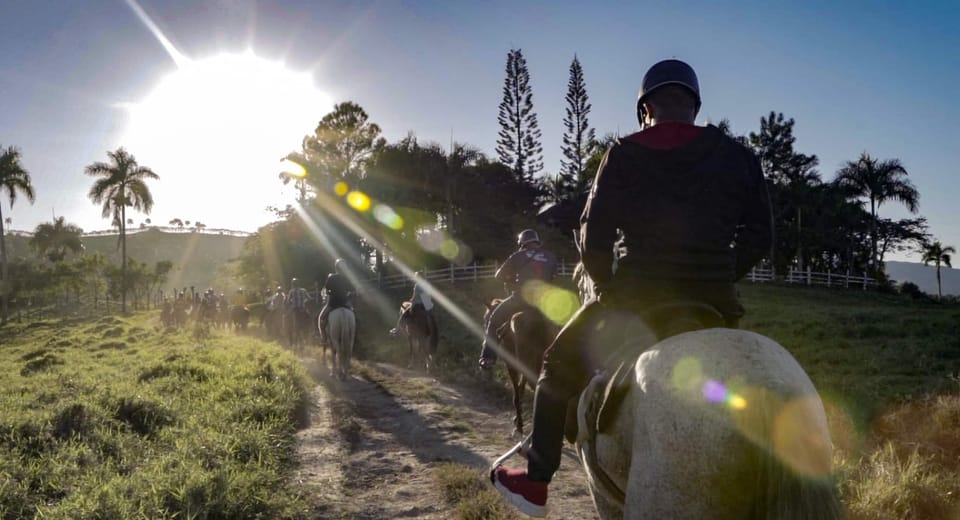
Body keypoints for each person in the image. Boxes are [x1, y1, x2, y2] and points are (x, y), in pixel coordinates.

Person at [490, 59, 773, 517]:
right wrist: (720, 274)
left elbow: (593, 237)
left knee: (555, 367)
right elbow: (762, 236)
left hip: (638, 297)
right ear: (695, 108)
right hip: (716, 303)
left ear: (646, 108)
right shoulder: (739, 157)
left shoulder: (623, 154)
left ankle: (536, 482)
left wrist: (607, 289)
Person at [479, 229, 558, 369]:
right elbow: (552, 279)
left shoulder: (518, 256)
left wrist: (512, 282)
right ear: (536, 241)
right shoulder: (551, 257)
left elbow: (499, 276)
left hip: (521, 299)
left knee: (493, 320)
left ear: (522, 243)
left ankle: (488, 358)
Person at [390, 271, 437, 337]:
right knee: (432, 317)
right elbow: (428, 296)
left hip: (418, 305)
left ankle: (398, 330)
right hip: (427, 305)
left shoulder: (417, 285)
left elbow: (415, 297)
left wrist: (412, 304)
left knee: (403, 316)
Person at [318, 259, 353, 342]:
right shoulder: (347, 278)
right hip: (345, 303)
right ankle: (356, 335)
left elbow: (326, 290)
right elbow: (351, 290)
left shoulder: (331, 277)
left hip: (332, 303)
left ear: (336, 268)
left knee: (321, 319)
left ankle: (324, 339)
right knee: (355, 317)